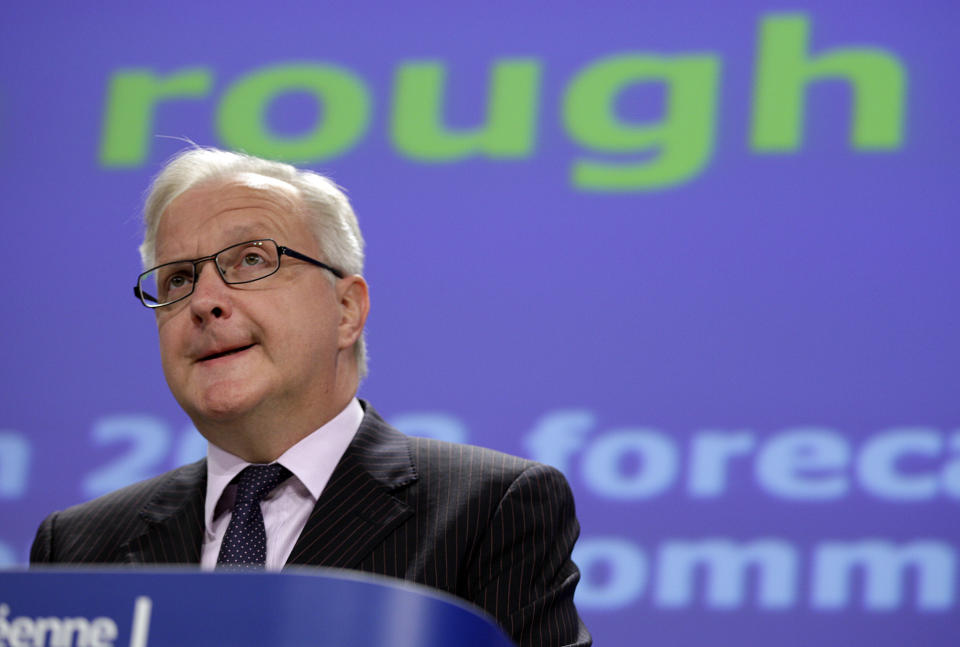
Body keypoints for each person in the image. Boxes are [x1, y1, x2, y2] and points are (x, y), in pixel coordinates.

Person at [30, 147, 591, 646]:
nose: (204, 302)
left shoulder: (488, 511)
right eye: (178, 279)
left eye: (250, 260)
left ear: (346, 311)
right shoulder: (78, 548)